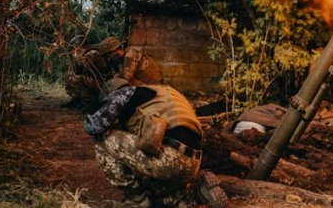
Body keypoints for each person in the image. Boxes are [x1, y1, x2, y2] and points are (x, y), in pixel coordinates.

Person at [84, 77, 227, 207]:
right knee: (155, 197)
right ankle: (196, 194)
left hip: (170, 159)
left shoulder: (124, 93)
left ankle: (137, 199)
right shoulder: (164, 93)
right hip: (193, 163)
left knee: (102, 138)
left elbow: (92, 126)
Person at [64, 35, 124, 109]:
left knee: (75, 79)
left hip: (103, 82)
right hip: (99, 81)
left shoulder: (93, 52)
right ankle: (77, 100)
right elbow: (76, 69)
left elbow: (81, 63)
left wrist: (76, 55)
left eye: (75, 48)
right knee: (69, 75)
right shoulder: (86, 53)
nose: (74, 50)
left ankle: (90, 103)